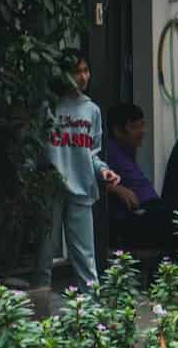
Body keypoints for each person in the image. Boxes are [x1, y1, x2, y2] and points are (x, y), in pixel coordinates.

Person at [37, 50, 119, 289]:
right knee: (44, 255)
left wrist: (103, 171)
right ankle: (40, 314)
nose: (83, 77)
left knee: (85, 256)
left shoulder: (91, 110)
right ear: (64, 74)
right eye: (77, 71)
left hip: (82, 187)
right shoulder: (49, 106)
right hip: (51, 186)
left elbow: (92, 153)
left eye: (86, 70)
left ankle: (92, 312)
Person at [103, 103, 178, 254]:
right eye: (135, 127)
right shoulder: (107, 152)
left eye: (142, 125)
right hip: (133, 219)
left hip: (150, 210)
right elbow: (88, 178)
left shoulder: (127, 151)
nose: (142, 132)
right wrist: (115, 189)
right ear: (118, 131)